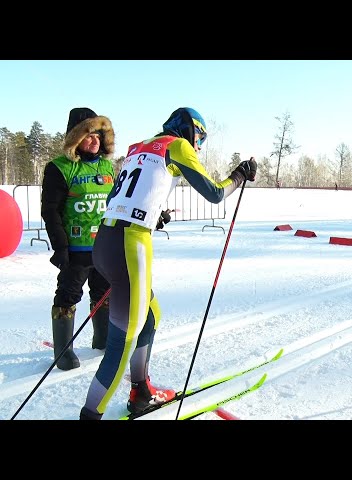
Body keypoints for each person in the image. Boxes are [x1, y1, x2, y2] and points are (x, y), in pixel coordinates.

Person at [79, 107, 257, 420]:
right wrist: (239, 174)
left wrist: (151, 212)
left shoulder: (140, 147)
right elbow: (215, 193)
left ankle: (141, 391)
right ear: (189, 130)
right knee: (122, 342)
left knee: (149, 314)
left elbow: (116, 200)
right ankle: (90, 414)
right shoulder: (178, 146)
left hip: (106, 241)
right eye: (199, 137)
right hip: (129, 245)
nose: (198, 146)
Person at [41, 108, 115, 371]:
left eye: (98, 134)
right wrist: (60, 247)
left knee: (104, 293)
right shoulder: (60, 168)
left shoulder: (108, 167)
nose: (94, 140)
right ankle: (63, 352)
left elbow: (118, 204)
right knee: (68, 296)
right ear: (75, 138)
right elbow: (50, 211)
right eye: (87, 135)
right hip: (76, 250)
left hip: (105, 246)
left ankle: (103, 339)